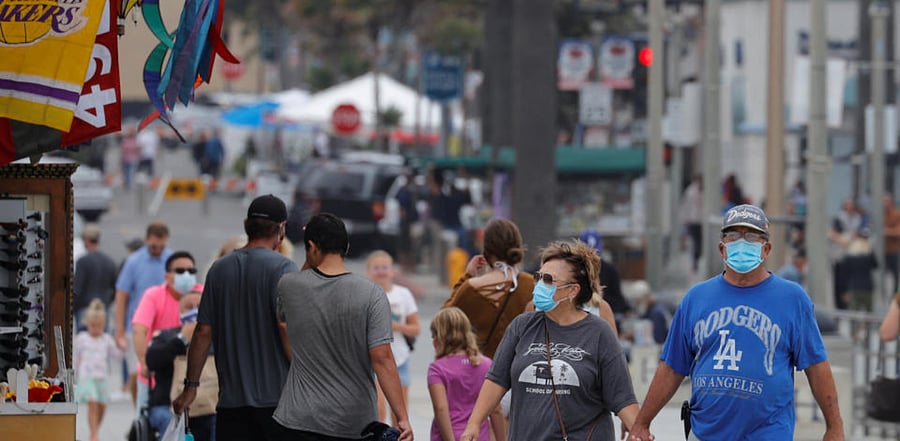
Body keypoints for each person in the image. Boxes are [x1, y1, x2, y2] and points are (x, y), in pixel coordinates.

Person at [628, 204, 844, 441]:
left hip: (768, 433)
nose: (742, 242)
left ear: (766, 248)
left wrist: (834, 428)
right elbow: (671, 367)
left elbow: (817, 367)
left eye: (751, 236)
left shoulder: (793, 299)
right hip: (705, 432)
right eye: (733, 235)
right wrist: (642, 423)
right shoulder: (696, 299)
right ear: (722, 248)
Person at [459, 240, 639, 441]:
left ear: (572, 290)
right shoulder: (522, 326)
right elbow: (496, 380)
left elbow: (622, 395)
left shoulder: (599, 332)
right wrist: (474, 424)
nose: (538, 284)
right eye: (538, 276)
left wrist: (638, 431)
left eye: (548, 279)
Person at [272, 213, 413, 440]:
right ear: (346, 247)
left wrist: (311, 252)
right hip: (354, 423)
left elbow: (286, 313)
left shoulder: (289, 286)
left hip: (298, 418)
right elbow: (383, 358)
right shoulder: (372, 294)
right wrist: (402, 416)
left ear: (311, 246)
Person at [172, 195, 299, 441]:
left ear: (246, 225)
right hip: (279, 404)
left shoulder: (219, 270)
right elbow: (287, 328)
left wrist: (190, 388)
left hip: (231, 404)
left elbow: (203, 333)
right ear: (281, 229)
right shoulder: (285, 269)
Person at [443, 218, 535, 358]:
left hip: (480, 371)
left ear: (487, 250)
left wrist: (466, 276)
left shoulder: (472, 287)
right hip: (517, 370)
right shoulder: (530, 284)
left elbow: (444, 320)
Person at [131, 251, 200, 433]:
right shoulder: (154, 296)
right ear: (167, 276)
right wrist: (144, 363)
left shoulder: (201, 294)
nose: (187, 275)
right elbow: (139, 330)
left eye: (191, 271)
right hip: (160, 377)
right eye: (180, 271)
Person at [114, 222, 173, 407]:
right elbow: (122, 296)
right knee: (136, 372)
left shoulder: (170, 260)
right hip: (139, 326)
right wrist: (120, 331)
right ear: (147, 240)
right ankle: (138, 409)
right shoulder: (134, 262)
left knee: (165, 373)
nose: (157, 250)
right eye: (154, 246)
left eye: (161, 246)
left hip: (166, 326)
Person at [145, 289, 216, 441]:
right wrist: (182, 339)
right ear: (180, 312)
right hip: (168, 405)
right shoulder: (166, 336)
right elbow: (151, 361)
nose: (194, 311)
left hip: (209, 405)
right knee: (168, 420)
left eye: (198, 307)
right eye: (189, 307)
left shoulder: (216, 338)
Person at [428, 307, 505, 441]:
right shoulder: (486, 364)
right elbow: (496, 410)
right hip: (478, 435)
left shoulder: (437, 369)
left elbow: (440, 408)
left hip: (448, 435)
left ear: (438, 338)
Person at [366, 250, 420, 425]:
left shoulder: (403, 295)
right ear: (368, 271)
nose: (381, 271)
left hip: (400, 360)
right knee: (378, 412)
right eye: (376, 268)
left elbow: (415, 328)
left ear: (392, 271)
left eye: (384, 267)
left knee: (400, 415)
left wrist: (396, 327)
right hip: (373, 360)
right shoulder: (365, 294)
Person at [74, 299, 122, 441]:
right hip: (86, 376)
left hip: (101, 377)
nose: (96, 329)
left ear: (104, 325)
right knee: (93, 403)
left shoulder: (106, 339)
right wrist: (75, 376)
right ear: (87, 324)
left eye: (99, 326)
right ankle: (94, 434)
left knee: (102, 406)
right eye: (93, 325)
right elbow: (76, 358)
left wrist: (120, 345)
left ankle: (95, 429)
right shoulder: (82, 339)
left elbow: (116, 355)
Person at [73, 223, 117, 332]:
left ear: (86, 240)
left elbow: (77, 289)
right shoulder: (110, 262)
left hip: (84, 310)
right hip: (103, 310)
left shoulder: (82, 262)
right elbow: (116, 288)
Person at [680, 175, 704, 272]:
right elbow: (686, 205)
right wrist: (685, 218)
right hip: (693, 220)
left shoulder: (705, 190)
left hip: (702, 220)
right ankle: (695, 261)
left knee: (700, 242)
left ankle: (697, 257)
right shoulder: (690, 191)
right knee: (695, 242)